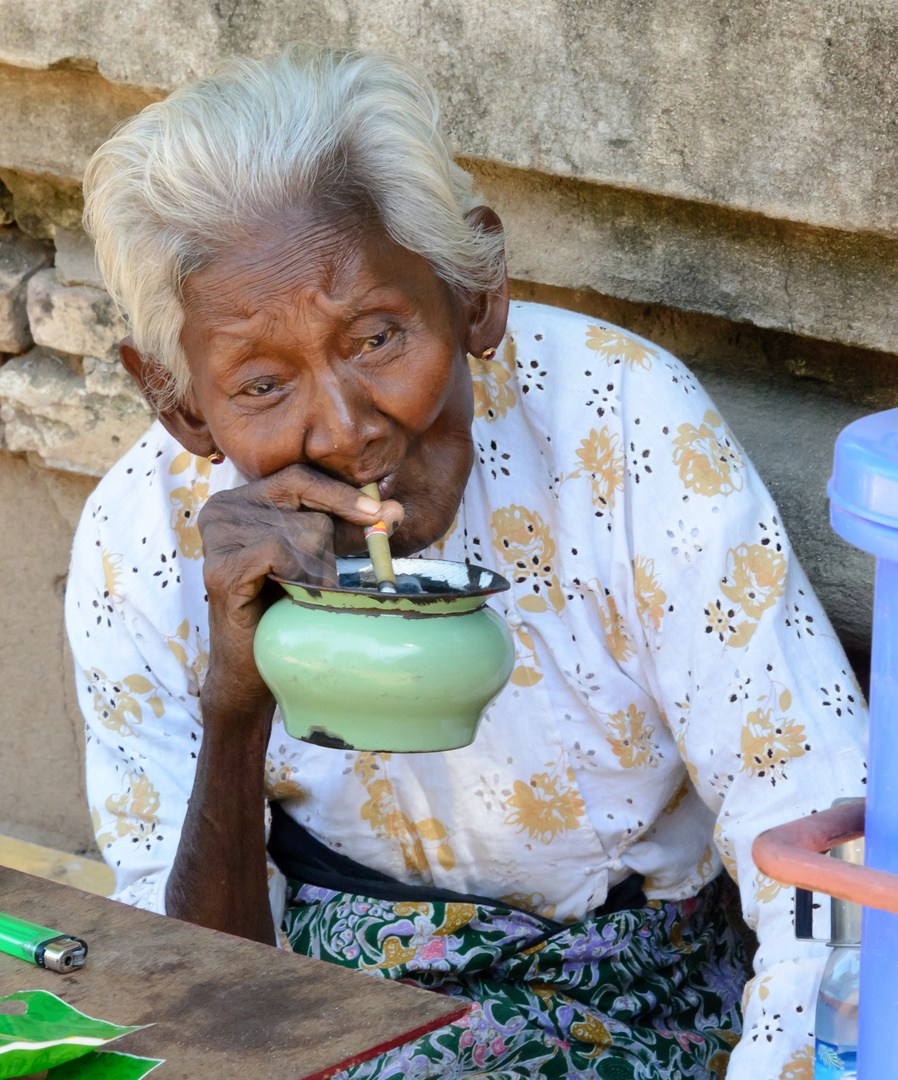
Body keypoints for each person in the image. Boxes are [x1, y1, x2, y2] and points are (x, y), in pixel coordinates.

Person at [66, 46, 866, 1080]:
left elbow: (815, 835)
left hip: (624, 1000)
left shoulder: (624, 428)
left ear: (475, 290)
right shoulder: (143, 539)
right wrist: (234, 702)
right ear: (180, 405)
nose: (348, 431)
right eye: (262, 387)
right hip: (316, 1001)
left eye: (379, 337)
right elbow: (202, 996)